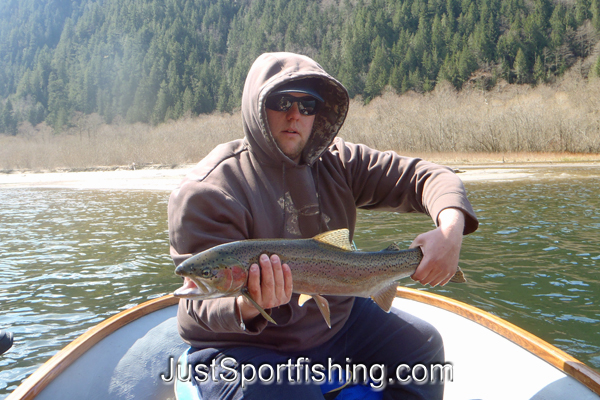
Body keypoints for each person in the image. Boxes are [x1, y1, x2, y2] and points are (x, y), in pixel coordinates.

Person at [168, 52, 478, 399]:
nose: (294, 114)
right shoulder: (209, 190)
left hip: (334, 323)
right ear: (256, 107)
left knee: (424, 348)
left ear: (322, 112)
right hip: (239, 345)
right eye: (281, 101)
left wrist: (451, 231)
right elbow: (197, 305)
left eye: (308, 104)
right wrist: (247, 303)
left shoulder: (339, 162)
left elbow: (429, 177)